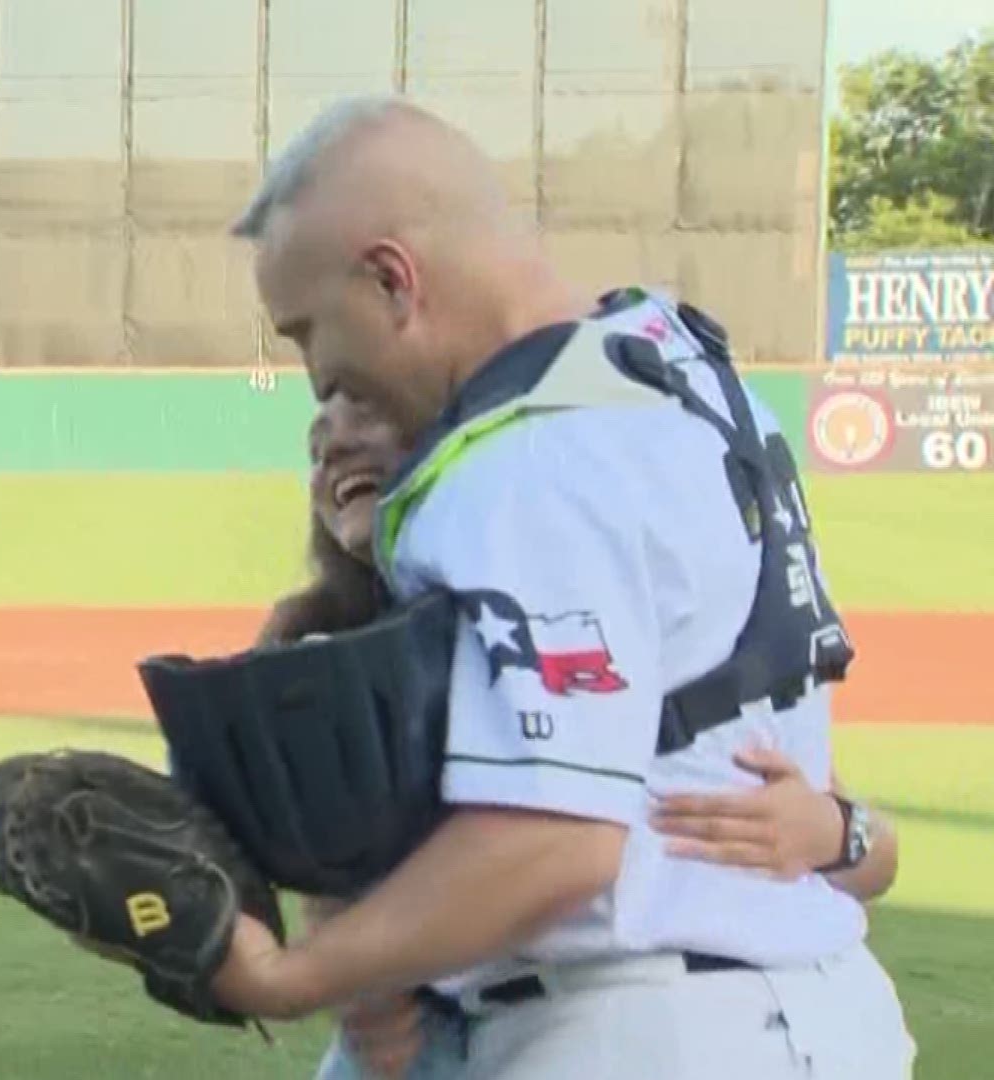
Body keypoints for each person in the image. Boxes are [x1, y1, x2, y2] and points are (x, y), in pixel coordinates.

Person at [202, 96, 917, 1079]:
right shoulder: (669, 354)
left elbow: (554, 841)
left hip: (645, 1028)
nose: (321, 378)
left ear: (392, 278)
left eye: (307, 331)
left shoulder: (528, 461)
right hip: (769, 1003)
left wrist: (295, 975)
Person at [272, 391, 903, 1079]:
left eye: (365, 415)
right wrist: (350, 964)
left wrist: (835, 830)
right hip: (434, 1036)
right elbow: (322, 862)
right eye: (315, 445)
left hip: (623, 1017)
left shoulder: (570, 607)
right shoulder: (312, 640)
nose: (332, 449)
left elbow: (875, 858)